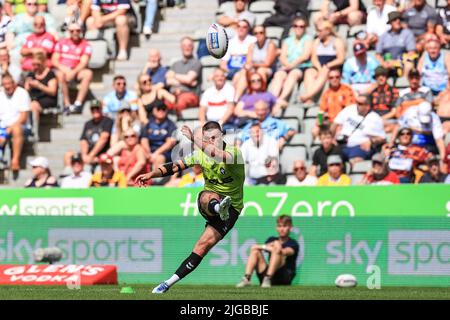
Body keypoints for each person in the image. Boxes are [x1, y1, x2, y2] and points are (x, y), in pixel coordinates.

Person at [135, 121, 245, 294]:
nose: (212, 141)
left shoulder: (234, 153)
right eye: (208, 138)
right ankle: (217, 208)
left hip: (233, 208)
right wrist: (151, 174)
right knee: (206, 195)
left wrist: (195, 138)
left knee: (202, 247)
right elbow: (174, 167)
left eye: (215, 137)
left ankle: (167, 284)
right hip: (211, 202)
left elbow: (218, 155)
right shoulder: (200, 155)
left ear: (222, 136)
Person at [236, 215, 299, 288]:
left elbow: (282, 251)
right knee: (255, 251)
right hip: (268, 276)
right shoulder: (271, 239)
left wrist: (275, 244)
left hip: (284, 277)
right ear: (276, 228)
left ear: (290, 227)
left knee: (277, 251)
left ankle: (268, 278)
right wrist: (273, 243)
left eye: (284, 226)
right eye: (279, 226)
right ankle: (247, 279)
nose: (281, 229)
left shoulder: (293, 243)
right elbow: (255, 248)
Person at [270, 16, 314, 107]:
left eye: (301, 26)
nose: (299, 28)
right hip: (287, 65)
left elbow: (305, 56)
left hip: (301, 66)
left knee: (293, 74)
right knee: (279, 75)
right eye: (296, 26)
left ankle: (281, 98)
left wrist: (292, 65)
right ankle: (273, 98)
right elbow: (282, 56)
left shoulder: (308, 39)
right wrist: (287, 65)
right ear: (293, 27)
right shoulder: (287, 40)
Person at [299, 20, 346, 104]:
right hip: (319, 66)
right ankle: (309, 97)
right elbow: (314, 58)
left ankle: (308, 95)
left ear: (327, 31)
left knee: (325, 70)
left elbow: (340, 59)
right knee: (309, 72)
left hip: (332, 66)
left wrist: (328, 65)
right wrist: (318, 68)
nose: (318, 33)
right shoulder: (317, 42)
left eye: (320, 31)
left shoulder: (337, 41)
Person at [332, 94, 386, 164]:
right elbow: (335, 124)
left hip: (359, 147)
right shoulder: (349, 109)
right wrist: (332, 138)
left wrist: (371, 141)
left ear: (367, 106)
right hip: (342, 144)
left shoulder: (375, 118)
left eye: (360, 104)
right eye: (356, 102)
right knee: (331, 158)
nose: (357, 105)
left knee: (355, 159)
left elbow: (382, 138)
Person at [52, 22, 92, 114]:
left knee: (88, 73)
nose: (75, 32)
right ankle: (67, 104)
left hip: (76, 70)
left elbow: (84, 62)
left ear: (81, 31)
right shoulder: (61, 42)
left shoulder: (85, 44)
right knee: (60, 75)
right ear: (69, 32)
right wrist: (65, 70)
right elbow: (55, 60)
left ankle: (78, 103)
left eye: (77, 30)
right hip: (62, 69)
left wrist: (73, 72)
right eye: (72, 31)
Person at [64, 99, 113, 172]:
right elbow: (83, 140)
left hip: (102, 153)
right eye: (93, 109)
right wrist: (84, 155)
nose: (95, 110)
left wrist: (91, 155)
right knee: (68, 155)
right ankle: (69, 178)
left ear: (101, 109)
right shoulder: (88, 124)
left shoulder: (107, 121)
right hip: (88, 154)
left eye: (97, 108)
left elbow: (104, 139)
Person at [234, 24, 277, 101]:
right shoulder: (252, 46)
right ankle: (236, 99)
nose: (258, 35)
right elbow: (248, 62)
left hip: (268, 69)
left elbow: (267, 63)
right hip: (255, 68)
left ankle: (261, 96)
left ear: (265, 33)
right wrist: (249, 66)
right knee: (242, 73)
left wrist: (253, 65)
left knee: (261, 70)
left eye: (261, 32)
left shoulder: (270, 45)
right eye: (256, 33)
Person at [0, 73, 31, 172]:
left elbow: (23, 117)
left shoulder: (22, 93)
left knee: (16, 129)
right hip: (3, 126)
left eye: (9, 84)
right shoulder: (1, 95)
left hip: (20, 126)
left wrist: (9, 129)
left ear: (14, 83)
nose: (7, 86)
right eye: (5, 84)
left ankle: (15, 160)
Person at [313, 67, 355, 137]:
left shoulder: (347, 90)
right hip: (330, 122)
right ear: (328, 79)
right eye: (331, 78)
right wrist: (319, 122)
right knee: (315, 130)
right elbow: (321, 111)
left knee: (338, 132)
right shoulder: (326, 93)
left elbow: (349, 110)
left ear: (340, 78)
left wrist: (341, 123)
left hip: (342, 122)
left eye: (337, 77)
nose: (334, 79)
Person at [165, 37, 202, 117]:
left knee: (181, 102)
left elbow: (188, 79)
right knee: (162, 102)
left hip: (190, 95)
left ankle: (177, 122)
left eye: (189, 45)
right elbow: (168, 80)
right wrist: (186, 81)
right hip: (173, 94)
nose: (187, 47)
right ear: (181, 47)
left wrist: (174, 75)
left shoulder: (196, 63)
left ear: (193, 47)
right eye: (184, 45)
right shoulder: (175, 64)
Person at [375, 11, 416, 78]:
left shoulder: (407, 33)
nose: (398, 21)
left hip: (402, 63)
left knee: (409, 65)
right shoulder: (384, 36)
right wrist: (383, 63)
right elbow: (377, 55)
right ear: (390, 23)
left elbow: (411, 53)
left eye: (399, 19)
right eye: (395, 20)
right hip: (387, 64)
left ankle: (404, 84)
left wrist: (397, 62)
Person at [24, 51, 57, 125]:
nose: (35, 67)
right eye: (33, 64)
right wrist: (28, 84)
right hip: (33, 98)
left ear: (43, 63)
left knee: (33, 105)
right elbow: (26, 90)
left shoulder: (50, 74)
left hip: (46, 98)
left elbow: (52, 91)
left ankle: (33, 130)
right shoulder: (31, 74)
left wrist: (39, 86)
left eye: (38, 64)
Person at [140, 103, 177, 169]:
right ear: (154, 111)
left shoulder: (170, 124)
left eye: (163, 109)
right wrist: (149, 154)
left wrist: (155, 154)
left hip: (165, 152)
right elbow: (144, 140)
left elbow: (169, 143)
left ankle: (156, 179)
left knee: (159, 158)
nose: (161, 111)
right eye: (158, 109)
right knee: (140, 155)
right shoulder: (148, 123)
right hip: (149, 150)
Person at [220, 19, 256, 86]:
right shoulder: (229, 42)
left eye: (244, 27)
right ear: (236, 28)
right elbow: (223, 64)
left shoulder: (253, 41)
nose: (241, 29)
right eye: (239, 26)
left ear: (248, 29)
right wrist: (229, 71)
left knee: (239, 75)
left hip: (246, 70)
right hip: (230, 71)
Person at [369, 66, 399, 135]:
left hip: (388, 118)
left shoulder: (393, 91)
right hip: (373, 118)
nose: (380, 78)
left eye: (383, 75)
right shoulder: (372, 91)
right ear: (375, 78)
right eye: (378, 76)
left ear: (386, 77)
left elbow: (394, 112)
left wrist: (380, 119)